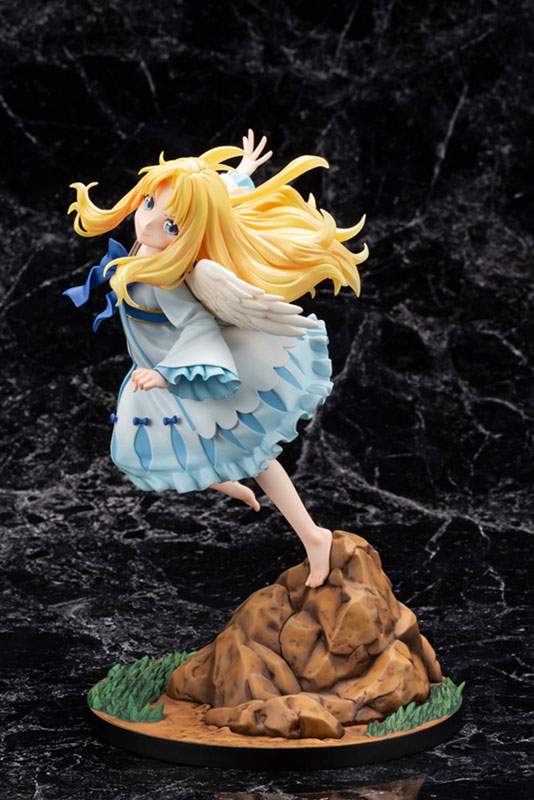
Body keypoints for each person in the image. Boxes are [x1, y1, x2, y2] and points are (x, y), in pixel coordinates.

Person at [65, 132, 368, 587]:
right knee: (141, 450)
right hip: (156, 368)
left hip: (188, 369)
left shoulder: (167, 280)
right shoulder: (156, 245)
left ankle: (313, 536)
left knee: (251, 454)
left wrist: (167, 376)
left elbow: (198, 328)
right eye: (148, 204)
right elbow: (211, 198)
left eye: (171, 226)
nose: (148, 224)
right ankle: (231, 480)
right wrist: (241, 173)